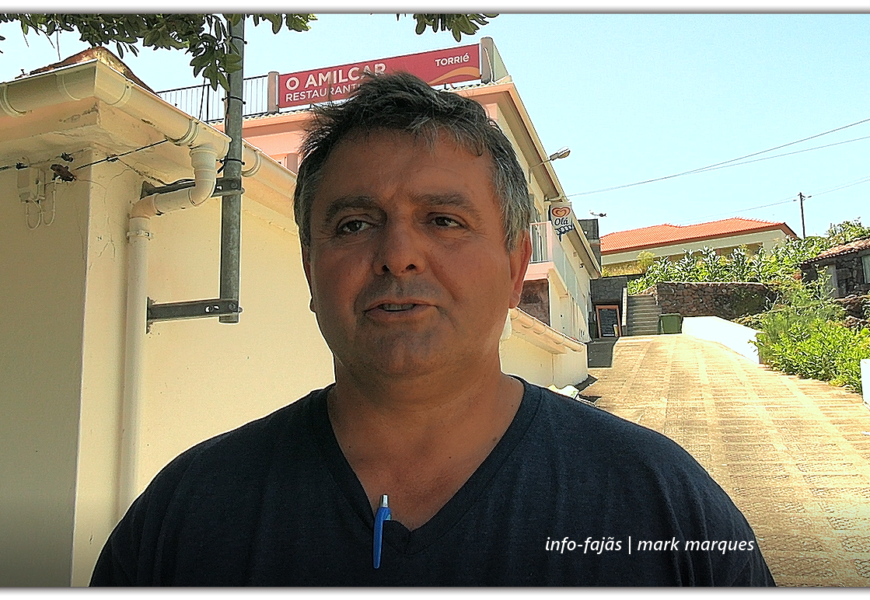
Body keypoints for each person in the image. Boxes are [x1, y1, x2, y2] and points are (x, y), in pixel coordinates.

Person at [91, 72, 775, 586]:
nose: (397, 254)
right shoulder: (184, 520)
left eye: (443, 221)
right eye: (354, 224)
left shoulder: (662, 510)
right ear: (310, 268)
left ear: (515, 267)